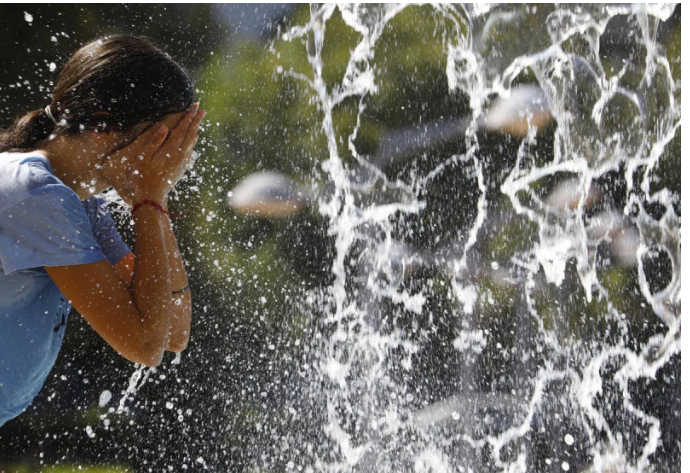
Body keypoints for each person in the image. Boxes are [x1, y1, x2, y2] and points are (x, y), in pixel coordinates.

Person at [0, 35, 206, 427]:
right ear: (103, 126)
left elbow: (172, 333)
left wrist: (152, 199)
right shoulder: (35, 193)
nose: (174, 160)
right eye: (163, 140)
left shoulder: (80, 202)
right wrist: (150, 196)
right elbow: (143, 344)